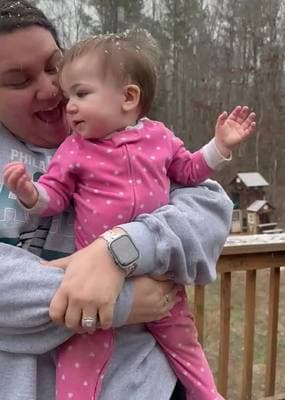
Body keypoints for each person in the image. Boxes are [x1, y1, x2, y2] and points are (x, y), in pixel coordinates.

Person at [3, 30, 256, 400]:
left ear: (128, 97)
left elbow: (201, 194)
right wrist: (124, 301)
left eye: (55, 70)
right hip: (68, 343)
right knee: (82, 367)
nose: (58, 95)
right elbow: (53, 195)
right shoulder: (75, 150)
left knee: (187, 348)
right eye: (18, 80)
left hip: (148, 379)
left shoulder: (157, 137)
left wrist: (118, 250)